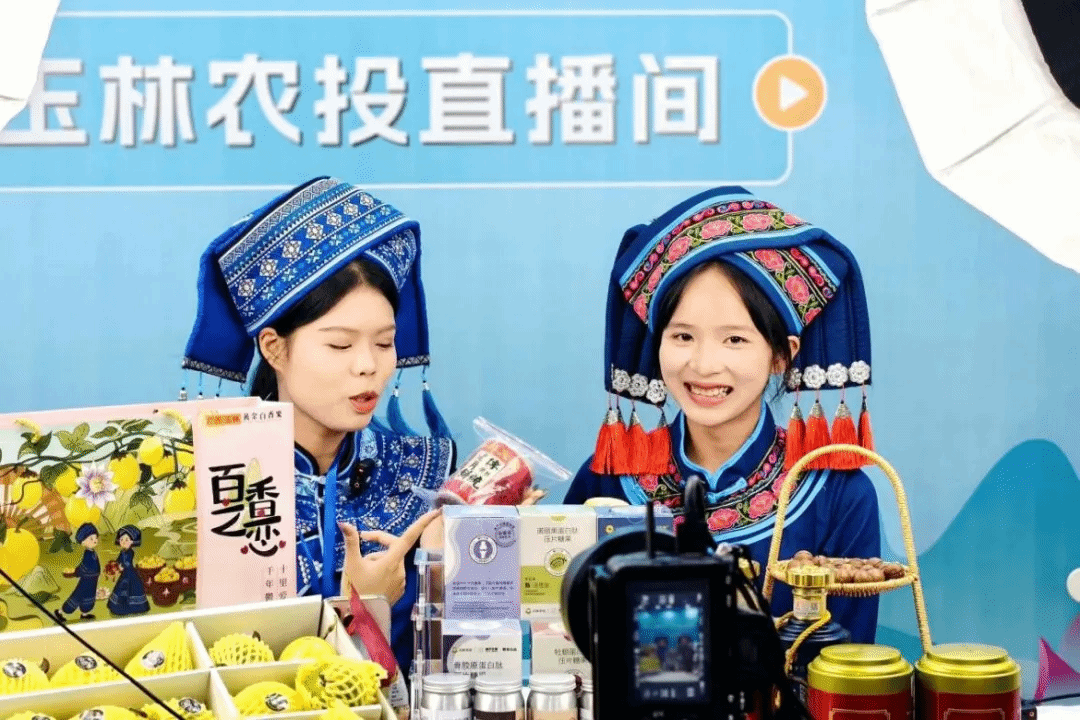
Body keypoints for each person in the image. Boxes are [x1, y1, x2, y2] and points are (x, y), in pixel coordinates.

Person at [564, 186, 881, 643]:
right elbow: (561, 633)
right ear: (657, 345)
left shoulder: (837, 496)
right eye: (683, 337)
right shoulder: (607, 483)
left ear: (782, 354)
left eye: (734, 339)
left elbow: (843, 668)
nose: (704, 365)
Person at [182, 176, 456, 675]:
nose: (368, 366)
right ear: (274, 348)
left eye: (384, 342)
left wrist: (475, 561)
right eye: (339, 345)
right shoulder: (206, 486)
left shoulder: (425, 476)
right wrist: (361, 606)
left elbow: (459, 665)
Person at [57, 523, 101, 622]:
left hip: (93, 580)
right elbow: (83, 566)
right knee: (77, 596)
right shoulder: (87, 554)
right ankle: (60, 612)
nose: (94, 540)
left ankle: (84, 613)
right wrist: (76, 572)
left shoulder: (93, 552)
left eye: (95, 538)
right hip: (86, 580)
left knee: (90, 596)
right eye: (91, 539)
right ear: (83, 542)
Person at [107, 525, 150, 616]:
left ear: (132, 542)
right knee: (121, 589)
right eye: (121, 539)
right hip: (124, 573)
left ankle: (135, 608)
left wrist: (121, 567)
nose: (123, 542)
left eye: (126, 540)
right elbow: (119, 560)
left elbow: (127, 562)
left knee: (131, 588)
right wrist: (115, 565)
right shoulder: (122, 552)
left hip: (130, 573)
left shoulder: (130, 552)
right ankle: (120, 608)